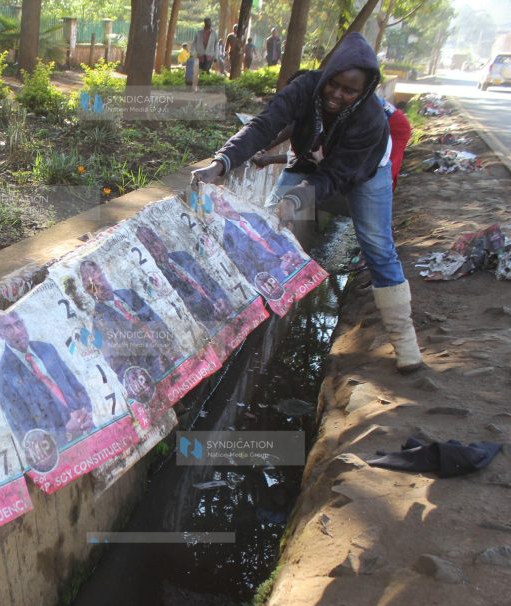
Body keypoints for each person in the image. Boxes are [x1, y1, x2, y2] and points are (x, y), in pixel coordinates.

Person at [192, 32, 423, 373]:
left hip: (364, 171)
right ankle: (253, 319)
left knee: (377, 244)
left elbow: (337, 176)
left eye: (349, 91)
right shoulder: (304, 88)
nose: (337, 95)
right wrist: (221, 163)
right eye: (334, 84)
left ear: (363, 92)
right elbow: (264, 126)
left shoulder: (371, 120)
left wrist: (298, 197)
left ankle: (405, 342)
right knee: (270, 228)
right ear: (326, 74)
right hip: (311, 159)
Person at [0, 311, 95, 448]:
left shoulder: (47, 349)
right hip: (62, 449)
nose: (17, 332)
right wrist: (66, 433)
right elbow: (25, 433)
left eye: (18, 324)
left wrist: (86, 412)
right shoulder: (2, 377)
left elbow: (75, 385)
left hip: (88, 429)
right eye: (8, 327)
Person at [78, 259, 179, 383]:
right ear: (89, 291)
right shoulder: (99, 322)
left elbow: (155, 319)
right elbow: (118, 365)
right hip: (152, 375)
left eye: (100, 277)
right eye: (94, 284)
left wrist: (170, 347)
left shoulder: (128, 294)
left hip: (172, 357)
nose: (101, 285)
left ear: (104, 274)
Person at [134, 225, 232, 331]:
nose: (153, 246)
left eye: (153, 240)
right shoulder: (157, 280)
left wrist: (221, 298)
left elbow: (208, 279)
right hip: (208, 325)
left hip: (225, 310)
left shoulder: (182, 255)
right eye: (147, 245)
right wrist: (211, 317)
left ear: (159, 239)